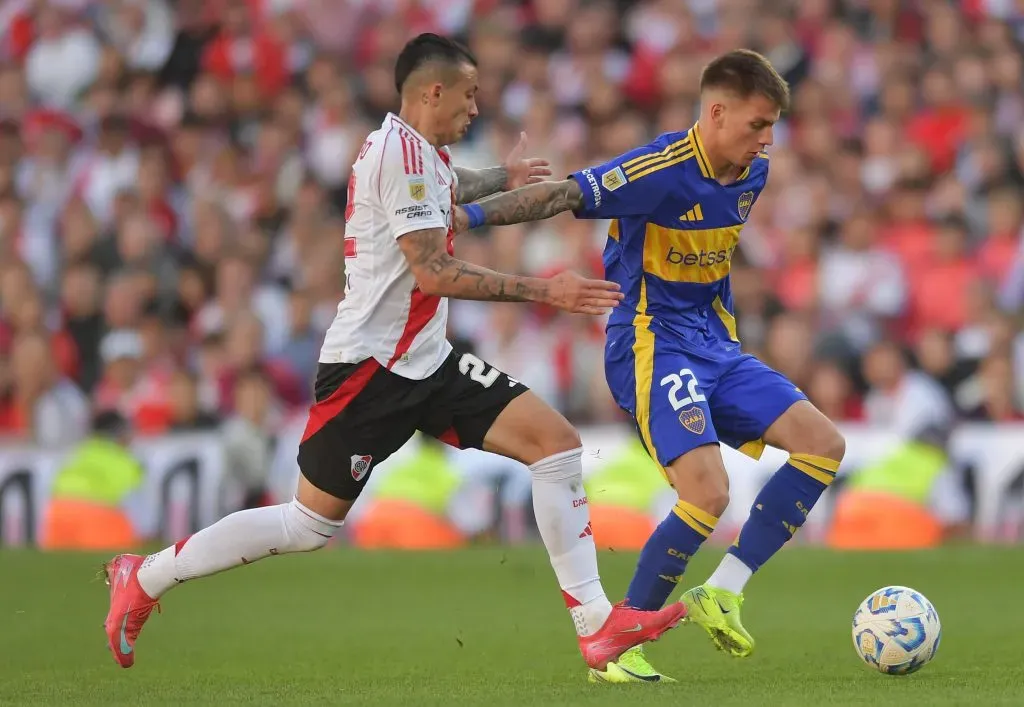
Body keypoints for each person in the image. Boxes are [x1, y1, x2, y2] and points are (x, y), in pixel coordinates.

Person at [102, 33, 686, 672]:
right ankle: (147, 575)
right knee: (307, 527)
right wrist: (547, 291)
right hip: (369, 370)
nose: (475, 109)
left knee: (556, 444)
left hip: (427, 361)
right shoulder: (397, 156)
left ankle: (596, 627)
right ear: (432, 92)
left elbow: (448, 186)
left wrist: (503, 177)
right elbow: (433, 272)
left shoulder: (421, 152)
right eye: (468, 96)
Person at [456, 49, 846, 683]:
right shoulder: (659, 170)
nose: (766, 140)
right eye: (756, 124)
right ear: (716, 112)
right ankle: (617, 640)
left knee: (823, 444)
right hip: (651, 344)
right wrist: (469, 215)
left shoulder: (754, 174)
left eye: (772, 126)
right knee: (709, 492)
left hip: (716, 345)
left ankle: (724, 589)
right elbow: (562, 194)